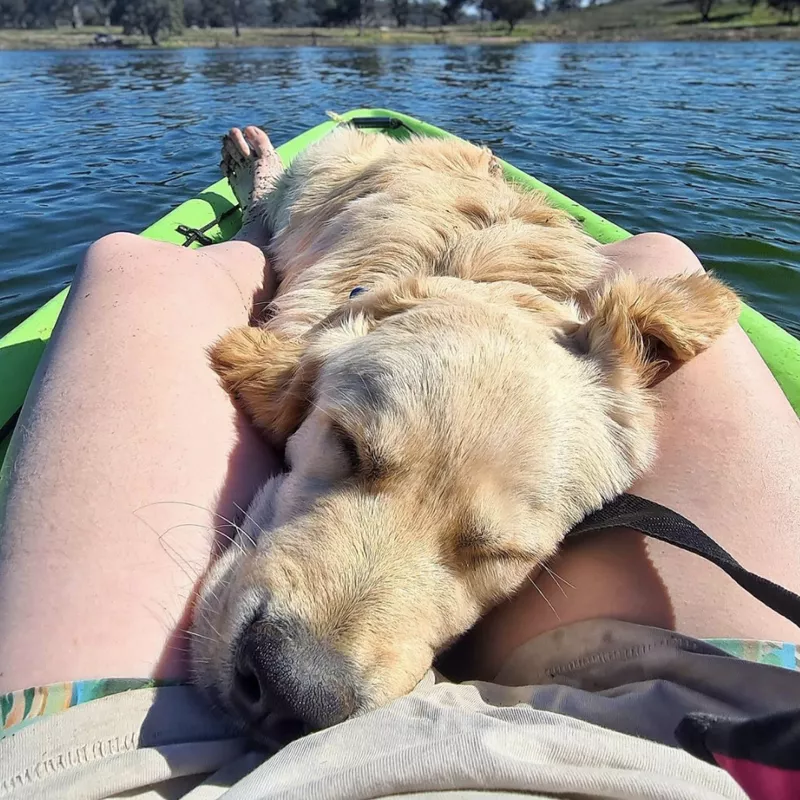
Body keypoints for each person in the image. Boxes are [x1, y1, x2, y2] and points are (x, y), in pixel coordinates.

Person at [1, 127, 799, 800]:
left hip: (136, 772)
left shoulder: (297, 377)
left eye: (493, 549)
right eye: (353, 451)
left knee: (134, 266)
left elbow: (261, 362)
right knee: (661, 254)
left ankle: (254, 226)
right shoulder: (305, 376)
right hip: (720, 743)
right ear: (298, 387)